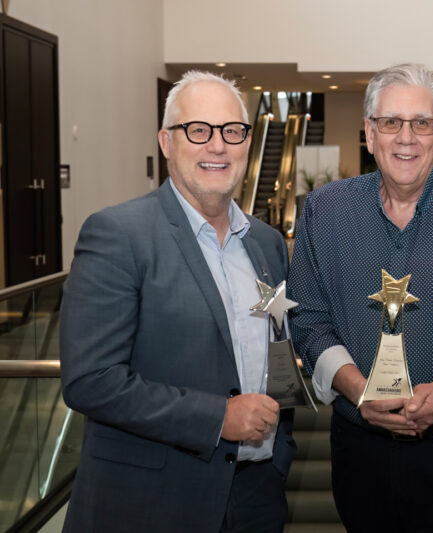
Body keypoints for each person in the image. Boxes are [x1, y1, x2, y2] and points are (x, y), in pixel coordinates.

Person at [287, 63, 433, 532]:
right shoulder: (324, 210)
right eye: (391, 122)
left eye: (422, 123)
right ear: (369, 133)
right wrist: (361, 392)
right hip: (359, 450)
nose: (406, 137)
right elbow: (308, 321)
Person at [60, 71, 295, 533]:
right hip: (151, 505)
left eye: (232, 131)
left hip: (255, 499)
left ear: (247, 142)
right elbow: (89, 379)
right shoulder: (118, 234)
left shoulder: (266, 244)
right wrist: (217, 418)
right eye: (198, 130)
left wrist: (279, 454)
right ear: (167, 142)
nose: (218, 146)